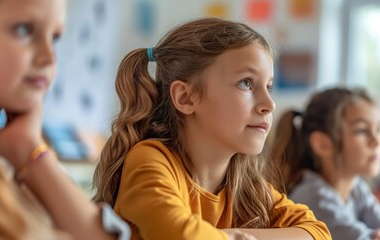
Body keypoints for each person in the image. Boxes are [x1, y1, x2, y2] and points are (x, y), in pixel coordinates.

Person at [91, 18, 331, 240]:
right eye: (246, 83)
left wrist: (233, 235)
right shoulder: (149, 160)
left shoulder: (246, 187)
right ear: (185, 98)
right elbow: (180, 235)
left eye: (268, 86)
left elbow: (317, 233)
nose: (269, 104)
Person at [0, 0, 130, 239]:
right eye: (24, 30)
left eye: (54, 38)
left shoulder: (17, 159)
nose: (49, 58)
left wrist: (28, 148)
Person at [271, 87, 380, 240]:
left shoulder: (356, 189)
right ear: (322, 144)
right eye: (362, 130)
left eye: (377, 129)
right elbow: (354, 236)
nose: (376, 141)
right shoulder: (312, 196)